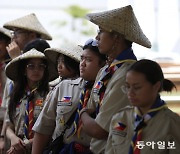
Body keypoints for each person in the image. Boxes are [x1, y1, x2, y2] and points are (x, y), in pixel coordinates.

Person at [80, 5, 151, 154]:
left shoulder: (128, 75)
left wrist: (82, 114)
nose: (97, 37)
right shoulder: (105, 71)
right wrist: (88, 114)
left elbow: (99, 130)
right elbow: (92, 108)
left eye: (101, 31)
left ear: (116, 38)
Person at [31, 39, 106, 154]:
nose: (83, 63)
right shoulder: (63, 87)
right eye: (82, 58)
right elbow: (43, 127)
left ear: (103, 64)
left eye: (89, 60)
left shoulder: (107, 92)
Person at [105, 59, 180, 154]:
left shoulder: (171, 124)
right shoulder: (120, 118)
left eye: (137, 87)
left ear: (156, 86)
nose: (130, 93)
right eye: (127, 87)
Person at [0, 38, 55, 153]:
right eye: (31, 66)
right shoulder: (16, 93)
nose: (36, 70)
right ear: (24, 70)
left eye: (41, 66)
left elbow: (52, 130)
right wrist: (13, 138)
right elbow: (9, 125)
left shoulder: (51, 94)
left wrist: (28, 143)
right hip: (15, 148)